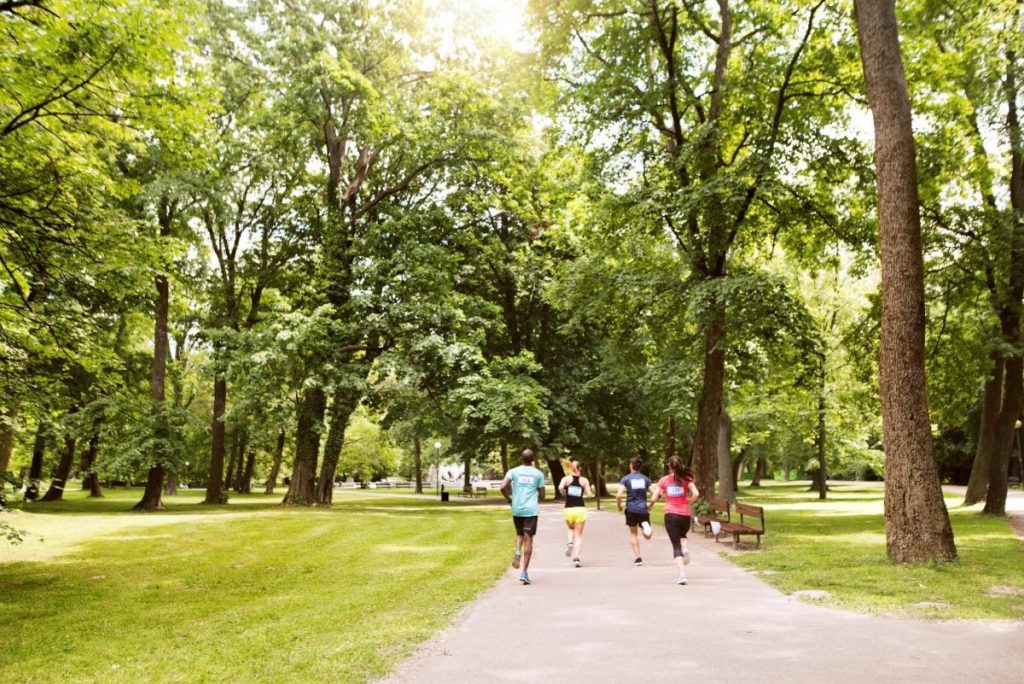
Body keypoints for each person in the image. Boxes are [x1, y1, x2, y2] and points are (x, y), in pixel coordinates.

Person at [648, 454, 699, 585]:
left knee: (675, 546)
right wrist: (689, 501)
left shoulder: (663, 480)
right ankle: (685, 546)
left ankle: (682, 574)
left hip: (670, 515)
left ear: (669, 466)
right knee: (683, 535)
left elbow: (654, 497)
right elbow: (696, 493)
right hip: (685, 515)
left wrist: (649, 506)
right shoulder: (687, 479)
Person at [500, 449, 547, 584]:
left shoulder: (513, 471)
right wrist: (538, 494)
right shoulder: (538, 474)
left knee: (519, 534)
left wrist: (509, 499)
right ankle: (524, 572)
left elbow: (503, 486)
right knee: (529, 539)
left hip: (517, 509)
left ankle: (517, 551)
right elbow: (543, 495)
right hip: (531, 511)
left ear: (521, 458)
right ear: (532, 460)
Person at [616, 455, 653, 566]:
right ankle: (645, 525)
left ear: (631, 466)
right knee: (648, 536)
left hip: (631, 509)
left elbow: (618, 495)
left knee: (633, 534)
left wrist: (619, 506)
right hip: (643, 509)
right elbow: (656, 493)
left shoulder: (626, 479)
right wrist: (650, 504)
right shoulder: (646, 479)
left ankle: (638, 558)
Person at [557, 460, 594, 568]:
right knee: (578, 535)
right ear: (580, 468)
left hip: (568, 509)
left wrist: (564, 492)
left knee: (570, 529)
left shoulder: (566, 479)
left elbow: (560, 487)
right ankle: (576, 558)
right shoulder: (584, 480)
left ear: (570, 468)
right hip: (580, 509)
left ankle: (569, 542)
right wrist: (589, 490)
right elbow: (590, 495)